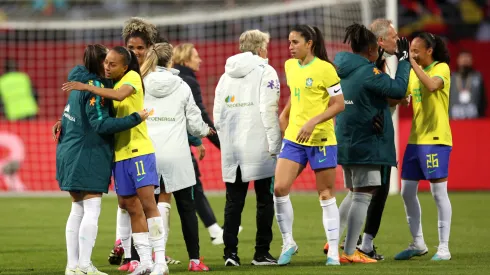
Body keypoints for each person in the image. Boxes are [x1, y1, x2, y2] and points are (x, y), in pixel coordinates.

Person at [62, 46, 169, 275]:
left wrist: (87, 86)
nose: (107, 67)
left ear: (124, 66)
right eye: (106, 63)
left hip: (139, 151)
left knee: (149, 205)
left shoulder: (131, 76)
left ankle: (160, 261)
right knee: (131, 207)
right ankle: (144, 262)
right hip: (119, 155)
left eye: (112, 64)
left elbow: (120, 96)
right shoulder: (107, 83)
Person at [333, 23, 411, 264]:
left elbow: (373, 97)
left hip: (346, 138)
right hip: (366, 141)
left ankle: (334, 242)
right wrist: (405, 59)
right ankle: (349, 251)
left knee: (356, 192)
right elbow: (397, 89)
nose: (397, 40)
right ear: (372, 47)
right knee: (363, 195)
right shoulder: (368, 71)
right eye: (393, 36)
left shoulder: (341, 67)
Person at [274, 24, 345, 266]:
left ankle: (333, 250)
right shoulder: (289, 66)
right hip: (294, 138)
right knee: (279, 188)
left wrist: (313, 122)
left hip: (322, 139)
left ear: (309, 44)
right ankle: (288, 242)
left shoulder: (327, 69)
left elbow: (338, 104)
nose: (290, 47)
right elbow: (297, 94)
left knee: (325, 194)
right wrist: (285, 115)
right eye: (289, 42)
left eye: (295, 42)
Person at [141, 42, 213, 271]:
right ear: (171, 60)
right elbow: (194, 123)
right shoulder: (181, 85)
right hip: (177, 155)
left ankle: (151, 256)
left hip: (148, 153)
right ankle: (194, 260)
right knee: (186, 208)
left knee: (147, 207)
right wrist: (205, 131)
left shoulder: (140, 84)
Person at [213, 29, 281, 267]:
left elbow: (217, 116)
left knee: (233, 202)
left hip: (233, 148)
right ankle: (261, 253)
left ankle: (230, 254)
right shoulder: (266, 71)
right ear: (260, 48)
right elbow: (268, 110)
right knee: (264, 199)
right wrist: (275, 144)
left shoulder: (225, 76)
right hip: (260, 145)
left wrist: (227, 141)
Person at [395, 32, 453, 261]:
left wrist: (409, 62)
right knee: (406, 191)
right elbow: (404, 95)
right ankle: (417, 243)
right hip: (415, 140)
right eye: (411, 50)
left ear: (430, 51)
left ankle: (444, 248)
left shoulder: (442, 69)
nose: (413, 54)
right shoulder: (412, 72)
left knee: (438, 193)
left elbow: (430, 86)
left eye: (416, 50)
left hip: (436, 140)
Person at [173, 43, 227, 244]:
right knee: (191, 188)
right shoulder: (188, 82)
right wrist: (220, 143)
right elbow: (199, 116)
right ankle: (212, 235)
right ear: (186, 60)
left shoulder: (172, 79)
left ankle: (214, 231)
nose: (200, 59)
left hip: (168, 142)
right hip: (180, 145)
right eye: (196, 56)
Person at [449, 50, 487, 119]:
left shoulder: (478, 77)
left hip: (474, 119)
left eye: (467, 58)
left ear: (472, 60)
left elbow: (483, 100)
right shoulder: (451, 77)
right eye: (463, 58)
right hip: (453, 119)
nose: (465, 60)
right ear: (458, 60)